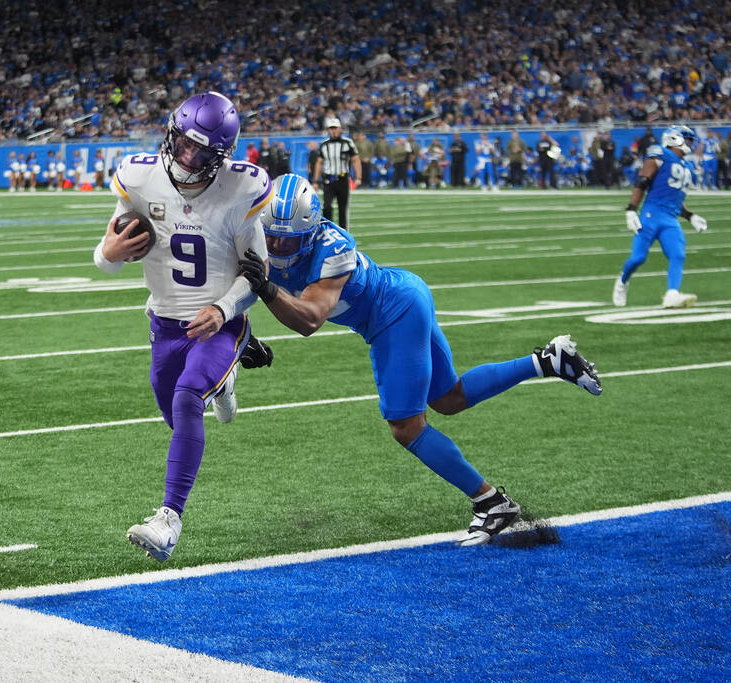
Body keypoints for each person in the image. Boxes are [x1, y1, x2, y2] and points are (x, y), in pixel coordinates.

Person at [238, 174, 603, 545]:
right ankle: (549, 361)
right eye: (272, 236)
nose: (279, 246)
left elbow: (310, 319)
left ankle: (492, 503)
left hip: (393, 311)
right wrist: (240, 329)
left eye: (290, 239)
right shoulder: (253, 229)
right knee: (449, 398)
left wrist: (266, 288)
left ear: (312, 230)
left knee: (406, 426)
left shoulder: (333, 249)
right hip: (402, 297)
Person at [93, 91, 274, 563]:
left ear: (223, 158)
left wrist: (224, 310)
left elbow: (258, 276)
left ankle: (168, 520)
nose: (189, 157)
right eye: (184, 144)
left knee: (188, 396)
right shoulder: (139, 177)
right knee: (173, 414)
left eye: (202, 152)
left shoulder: (243, 190)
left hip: (218, 321)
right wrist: (106, 255)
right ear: (171, 133)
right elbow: (107, 255)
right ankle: (226, 380)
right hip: (166, 321)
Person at [613, 125, 708, 309]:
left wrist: (690, 216)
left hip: (670, 218)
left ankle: (672, 294)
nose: (689, 142)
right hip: (651, 214)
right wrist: (632, 209)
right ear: (674, 139)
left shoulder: (686, 165)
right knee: (638, 258)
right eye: (686, 138)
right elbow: (643, 180)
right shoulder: (661, 153)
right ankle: (622, 282)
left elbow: (673, 197)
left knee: (678, 254)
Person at [312, 117, 361, 230]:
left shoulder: (348, 143)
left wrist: (358, 177)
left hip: (343, 179)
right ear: (328, 130)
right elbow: (319, 163)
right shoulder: (324, 145)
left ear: (340, 129)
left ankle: (343, 234)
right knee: (327, 207)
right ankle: (327, 232)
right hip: (329, 180)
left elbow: (355, 160)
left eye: (335, 128)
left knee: (343, 209)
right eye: (331, 128)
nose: (333, 131)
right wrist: (315, 181)